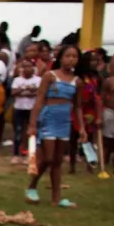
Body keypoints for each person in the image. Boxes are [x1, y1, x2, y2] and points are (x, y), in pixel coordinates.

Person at [26, 45, 81, 207]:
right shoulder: (50, 76)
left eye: (74, 56)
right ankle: (32, 185)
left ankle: (56, 198)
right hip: (48, 119)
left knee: (58, 160)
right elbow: (40, 100)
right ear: (61, 58)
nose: (71, 59)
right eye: (68, 56)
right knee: (48, 158)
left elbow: (77, 106)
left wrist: (82, 128)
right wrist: (32, 124)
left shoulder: (77, 81)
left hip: (64, 122)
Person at [68, 50, 102, 174]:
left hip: (89, 111)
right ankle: (72, 165)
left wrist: (98, 116)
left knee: (89, 139)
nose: (94, 63)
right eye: (91, 60)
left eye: (96, 60)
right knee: (73, 139)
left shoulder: (95, 78)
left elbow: (97, 98)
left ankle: (90, 163)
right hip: (75, 109)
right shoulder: (76, 77)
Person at [10, 58, 41, 163]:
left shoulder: (38, 80)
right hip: (19, 108)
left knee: (31, 132)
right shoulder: (17, 80)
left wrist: (23, 91)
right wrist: (27, 89)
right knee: (18, 131)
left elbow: (38, 93)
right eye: (24, 67)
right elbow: (13, 92)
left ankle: (30, 153)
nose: (27, 69)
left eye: (29, 66)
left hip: (32, 109)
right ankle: (16, 154)